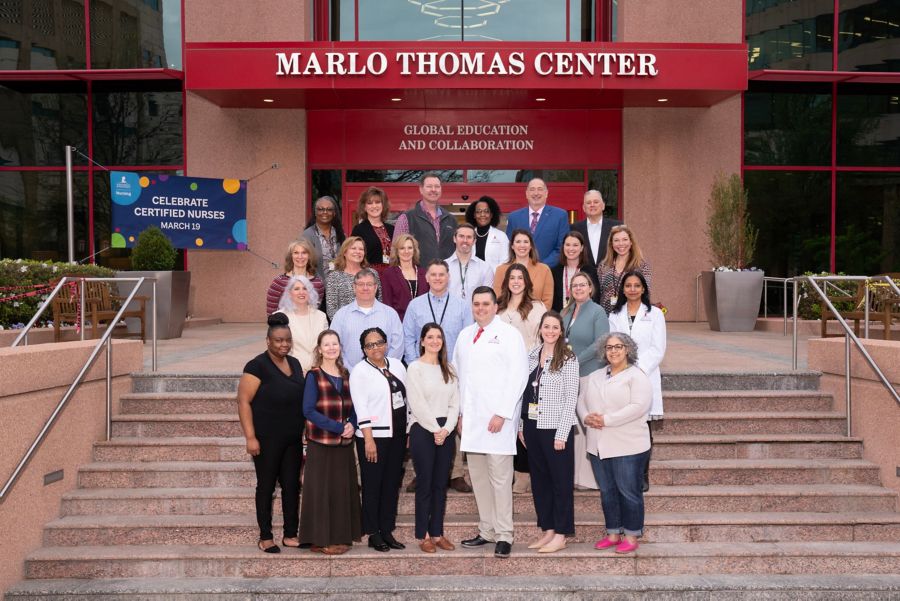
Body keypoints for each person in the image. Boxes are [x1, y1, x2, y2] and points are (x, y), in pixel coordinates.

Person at [454, 286, 528, 559]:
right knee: (479, 479)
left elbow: (518, 376)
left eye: (486, 304)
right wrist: (460, 414)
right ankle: (486, 530)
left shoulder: (509, 335)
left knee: (499, 479)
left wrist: (502, 413)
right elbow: (459, 378)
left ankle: (504, 534)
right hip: (472, 422)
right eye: (476, 304)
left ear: (495, 306)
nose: (481, 308)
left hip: (498, 419)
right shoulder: (464, 336)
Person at [403, 259, 473, 494]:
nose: (437, 278)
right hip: (423, 370)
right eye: (433, 274)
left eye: (442, 274)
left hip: (451, 371)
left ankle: (455, 473)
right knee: (421, 416)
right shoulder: (415, 305)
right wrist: (418, 365)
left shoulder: (462, 306)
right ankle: (420, 472)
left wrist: (457, 368)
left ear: (448, 277)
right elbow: (409, 337)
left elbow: (467, 340)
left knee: (452, 416)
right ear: (426, 278)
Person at [577, 332, 652, 555]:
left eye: (618, 347)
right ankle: (612, 533)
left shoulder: (637, 376)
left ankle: (631, 535)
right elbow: (581, 399)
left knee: (628, 492)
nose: (614, 351)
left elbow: (638, 406)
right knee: (607, 491)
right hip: (598, 444)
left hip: (627, 445)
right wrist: (586, 417)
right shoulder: (596, 375)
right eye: (609, 348)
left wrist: (606, 420)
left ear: (627, 350)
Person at [236, 313, 304, 554]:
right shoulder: (256, 366)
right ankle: (265, 536)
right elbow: (243, 401)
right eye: (278, 340)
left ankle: (290, 534)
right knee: (266, 486)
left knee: (291, 486)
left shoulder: (295, 364)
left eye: (287, 340)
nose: (283, 344)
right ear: (268, 341)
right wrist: (250, 437)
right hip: (266, 438)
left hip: (292, 439)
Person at [519, 312, 579, 553]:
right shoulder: (532, 356)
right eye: (546, 326)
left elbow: (570, 397)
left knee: (560, 483)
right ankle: (548, 529)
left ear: (561, 331)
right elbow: (524, 394)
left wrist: (562, 433)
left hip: (556, 429)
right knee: (540, 482)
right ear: (540, 329)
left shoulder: (568, 358)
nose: (550, 331)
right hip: (533, 427)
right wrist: (522, 426)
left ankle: (562, 533)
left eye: (555, 327)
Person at [299, 329, 361, 555]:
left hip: (344, 445)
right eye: (327, 344)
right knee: (320, 492)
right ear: (319, 349)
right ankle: (320, 539)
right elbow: (308, 410)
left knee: (340, 491)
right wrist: (337, 427)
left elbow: (355, 407)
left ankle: (339, 536)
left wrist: (352, 424)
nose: (331, 348)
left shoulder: (346, 374)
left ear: (340, 348)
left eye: (335, 344)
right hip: (321, 443)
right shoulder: (313, 376)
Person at [350, 327, 408, 552]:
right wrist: (368, 440)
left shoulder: (397, 365)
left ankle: (387, 530)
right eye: (369, 345)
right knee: (373, 485)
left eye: (379, 342)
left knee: (391, 484)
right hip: (374, 437)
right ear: (363, 349)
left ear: (386, 343)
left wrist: (409, 430)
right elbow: (360, 406)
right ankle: (373, 532)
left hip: (397, 436)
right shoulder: (360, 371)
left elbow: (407, 398)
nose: (375, 348)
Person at [608, 270, 667, 492]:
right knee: (622, 425)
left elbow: (658, 348)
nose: (632, 289)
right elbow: (612, 344)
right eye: (628, 285)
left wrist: (638, 368)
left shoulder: (655, 314)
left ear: (643, 289)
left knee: (643, 427)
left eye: (636, 286)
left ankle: (642, 475)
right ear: (623, 289)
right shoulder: (614, 315)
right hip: (620, 375)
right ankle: (623, 474)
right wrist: (622, 366)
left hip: (645, 375)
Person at [406, 323, 460, 553]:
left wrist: (446, 429)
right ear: (422, 341)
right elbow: (417, 403)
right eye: (430, 337)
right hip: (422, 429)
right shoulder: (414, 368)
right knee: (425, 483)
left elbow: (454, 403)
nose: (435, 341)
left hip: (445, 431)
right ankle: (423, 534)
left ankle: (437, 533)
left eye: (439, 337)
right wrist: (434, 429)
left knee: (440, 484)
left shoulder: (449, 369)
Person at [560, 271, 610, 490]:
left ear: (590, 288)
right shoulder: (566, 311)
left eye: (583, 285)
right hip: (568, 376)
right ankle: (575, 476)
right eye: (575, 285)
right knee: (575, 429)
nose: (578, 289)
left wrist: (575, 360)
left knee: (589, 424)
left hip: (590, 374)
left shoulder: (598, 312)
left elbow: (601, 342)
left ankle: (592, 479)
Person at [330, 268, 403, 370]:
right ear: (354, 287)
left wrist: (384, 369)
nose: (365, 288)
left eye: (369, 284)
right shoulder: (341, 315)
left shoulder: (390, 314)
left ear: (376, 287)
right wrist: (350, 372)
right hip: (349, 376)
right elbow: (334, 346)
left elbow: (397, 346)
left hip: (385, 377)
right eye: (360, 284)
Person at [393, 172, 458, 265]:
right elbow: (396, 251)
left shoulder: (451, 220)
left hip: (445, 276)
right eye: (429, 186)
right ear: (421, 189)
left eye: (437, 186)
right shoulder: (406, 218)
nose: (433, 189)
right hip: (417, 276)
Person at [505, 178, 569, 266]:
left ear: (546, 193)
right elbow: (510, 246)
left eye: (540, 189)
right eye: (532, 189)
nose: (536, 193)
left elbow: (562, 247)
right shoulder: (514, 217)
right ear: (527, 194)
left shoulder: (560, 215)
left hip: (549, 272)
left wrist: (541, 267)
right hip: (519, 272)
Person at [274, 275, 329, 372]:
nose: (301, 292)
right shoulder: (280, 317)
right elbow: (277, 349)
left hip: (318, 371)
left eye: (305, 288)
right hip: (291, 372)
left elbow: (325, 345)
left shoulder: (321, 316)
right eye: (296, 289)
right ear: (289, 293)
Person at [596, 225, 652, 315]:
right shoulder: (603, 266)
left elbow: (645, 292)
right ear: (611, 244)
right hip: (607, 317)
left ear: (631, 242)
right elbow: (599, 294)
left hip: (631, 316)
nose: (621, 244)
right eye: (616, 240)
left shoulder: (642, 266)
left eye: (625, 239)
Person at [325, 236, 383, 321]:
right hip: (345, 326)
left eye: (361, 249)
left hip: (371, 323)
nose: (358, 252)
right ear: (345, 252)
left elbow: (379, 300)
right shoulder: (334, 277)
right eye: (353, 248)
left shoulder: (372, 273)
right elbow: (331, 309)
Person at [493, 229, 553, 309]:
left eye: (526, 242)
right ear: (512, 246)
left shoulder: (544, 270)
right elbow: (498, 300)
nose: (522, 245)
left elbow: (547, 302)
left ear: (531, 245)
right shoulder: (501, 270)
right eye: (518, 242)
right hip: (508, 319)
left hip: (536, 319)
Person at [266, 238, 325, 315]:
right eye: (296, 253)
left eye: (304, 253)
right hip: (284, 326)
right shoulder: (279, 282)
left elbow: (315, 311)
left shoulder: (318, 283)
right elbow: (271, 314)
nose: (300, 256)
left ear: (309, 256)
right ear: (291, 256)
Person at [570, 190, 622, 274]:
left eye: (596, 202)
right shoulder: (574, 228)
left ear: (603, 206)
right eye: (588, 202)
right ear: (583, 207)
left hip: (610, 279)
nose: (592, 205)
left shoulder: (616, 227)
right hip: (585, 279)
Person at [380, 234, 427, 321]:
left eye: (410, 248)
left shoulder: (424, 273)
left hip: (423, 323)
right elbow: (387, 303)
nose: (406, 251)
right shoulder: (389, 274)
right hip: (398, 323)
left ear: (414, 250)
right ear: (397, 252)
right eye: (402, 248)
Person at [446, 222, 495, 304]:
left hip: (475, 316)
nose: (465, 240)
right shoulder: (444, 266)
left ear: (474, 241)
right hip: (449, 315)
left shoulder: (485, 268)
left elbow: (487, 299)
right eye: (461, 236)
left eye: (469, 237)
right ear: (454, 239)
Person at [551, 231, 600, 311]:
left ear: (581, 248)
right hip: (560, 319)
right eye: (567, 245)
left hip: (584, 318)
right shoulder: (555, 271)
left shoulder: (590, 271)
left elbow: (595, 298)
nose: (571, 248)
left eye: (575, 245)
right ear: (563, 247)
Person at [351, 186, 394, 277]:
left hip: (391, 275)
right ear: (364, 207)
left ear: (383, 205)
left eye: (378, 202)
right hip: (368, 276)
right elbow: (352, 256)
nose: (374, 206)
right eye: (370, 203)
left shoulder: (392, 229)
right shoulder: (359, 229)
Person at [302, 195, 346, 281]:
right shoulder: (306, 236)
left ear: (334, 213)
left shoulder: (341, 235)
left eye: (329, 209)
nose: (325, 212)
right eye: (320, 209)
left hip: (339, 288)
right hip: (316, 287)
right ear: (315, 212)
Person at [464, 195, 509, 271]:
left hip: (494, 280)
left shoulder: (501, 236)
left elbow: (505, 261)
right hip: (471, 280)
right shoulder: (467, 235)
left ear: (491, 214)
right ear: (474, 215)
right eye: (478, 212)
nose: (482, 215)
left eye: (486, 211)